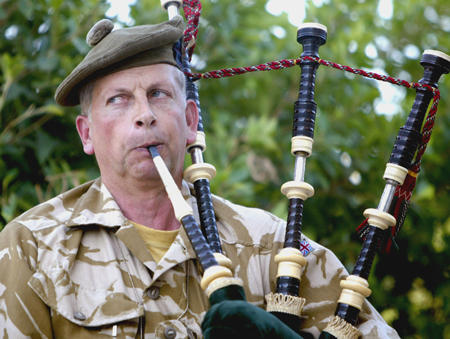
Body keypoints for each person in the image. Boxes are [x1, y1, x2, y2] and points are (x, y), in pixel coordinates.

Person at [0, 16, 400, 338]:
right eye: (118, 99)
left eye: (159, 94)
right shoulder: (30, 247)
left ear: (190, 122)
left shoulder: (272, 246)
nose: (145, 114)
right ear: (87, 134)